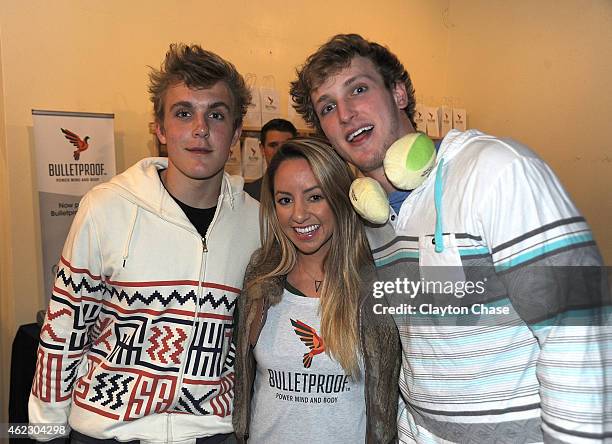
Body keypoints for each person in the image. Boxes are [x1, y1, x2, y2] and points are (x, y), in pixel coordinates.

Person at [290, 34, 609, 443]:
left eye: (358, 89)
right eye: (328, 108)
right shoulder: (373, 216)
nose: (347, 114)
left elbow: (580, 328)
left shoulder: (495, 170)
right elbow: (421, 352)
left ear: (399, 93)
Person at [29, 43, 260, 443]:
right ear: (160, 128)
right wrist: (45, 434)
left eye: (216, 115)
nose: (200, 129)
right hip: (108, 431)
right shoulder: (106, 209)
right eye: (183, 113)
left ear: (237, 132)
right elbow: (62, 336)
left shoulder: (258, 222)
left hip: (213, 433)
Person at [233, 138, 401, 443]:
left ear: (339, 198)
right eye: (285, 200)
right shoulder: (259, 277)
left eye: (314, 197)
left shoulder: (376, 285)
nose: (298, 214)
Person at [244, 118, 297, 201]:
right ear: (262, 149)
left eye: (286, 145)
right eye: (273, 145)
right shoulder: (248, 195)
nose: (279, 151)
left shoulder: (309, 188)